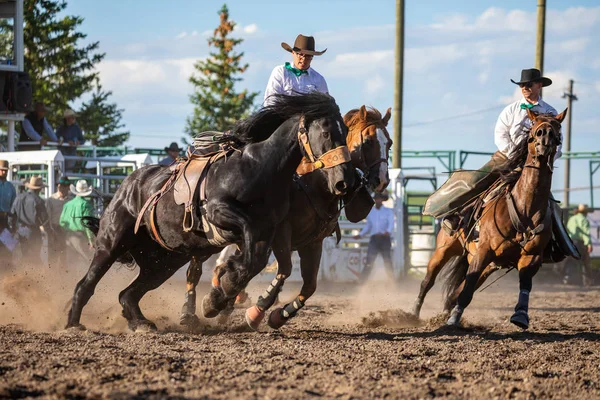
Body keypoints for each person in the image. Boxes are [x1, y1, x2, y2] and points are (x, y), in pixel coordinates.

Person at [423, 68, 575, 258]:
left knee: (550, 204)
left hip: (537, 163)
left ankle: (556, 245)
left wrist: (547, 157)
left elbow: (558, 141)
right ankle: (455, 216)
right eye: (522, 85)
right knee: (475, 181)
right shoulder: (511, 110)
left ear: (539, 85)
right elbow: (500, 134)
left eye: (529, 84)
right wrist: (514, 154)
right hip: (505, 158)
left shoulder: (551, 112)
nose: (525, 88)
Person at [263, 34, 329, 107]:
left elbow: (325, 105)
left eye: (308, 55)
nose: (303, 59)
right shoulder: (280, 72)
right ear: (293, 53)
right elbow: (270, 101)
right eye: (300, 54)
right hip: (282, 115)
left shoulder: (319, 79)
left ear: (312, 57)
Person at [354, 192, 395, 282]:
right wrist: (361, 235)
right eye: (376, 198)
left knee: (387, 260)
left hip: (384, 238)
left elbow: (391, 223)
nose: (378, 200)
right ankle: (362, 281)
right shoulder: (371, 212)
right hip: (375, 239)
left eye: (379, 198)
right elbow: (368, 226)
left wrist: (388, 231)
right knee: (369, 261)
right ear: (375, 200)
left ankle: (392, 280)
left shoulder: (388, 211)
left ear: (382, 200)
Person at [10, 176, 49, 266]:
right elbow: (44, 219)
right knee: (34, 255)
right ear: (39, 189)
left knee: (25, 253)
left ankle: (25, 274)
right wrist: (49, 231)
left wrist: (12, 229)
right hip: (33, 231)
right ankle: (33, 275)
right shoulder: (39, 201)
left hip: (21, 230)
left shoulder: (18, 198)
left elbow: (11, 215)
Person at [60, 179, 96, 266]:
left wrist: (66, 233)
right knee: (86, 261)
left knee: (71, 262)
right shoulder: (86, 205)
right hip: (81, 236)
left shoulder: (67, 204)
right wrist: (91, 241)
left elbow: (61, 222)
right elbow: (88, 224)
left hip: (69, 236)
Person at [46, 177, 72, 268]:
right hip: (54, 229)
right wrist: (49, 230)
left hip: (66, 230)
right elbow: (47, 216)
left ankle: (62, 275)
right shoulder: (51, 200)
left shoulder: (70, 200)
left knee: (64, 255)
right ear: (58, 186)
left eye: (65, 186)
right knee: (52, 254)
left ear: (68, 187)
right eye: (61, 186)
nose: (63, 188)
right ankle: (51, 274)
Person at [564, 204, 593, 286]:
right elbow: (586, 233)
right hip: (579, 243)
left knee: (571, 260)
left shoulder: (572, 219)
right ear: (585, 212)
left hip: (570, 242)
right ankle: (587, 281)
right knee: (585, 262)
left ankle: (568, 278)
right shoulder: (584, 220)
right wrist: (589, 244)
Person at [0, 160, 17, 267]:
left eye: (5, 170)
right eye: (2, 170)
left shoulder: (10, 187)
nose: (3, 172)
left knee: (8, 245)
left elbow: (13, 205)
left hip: (6, 218)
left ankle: (7, 267)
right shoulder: (10, 187)